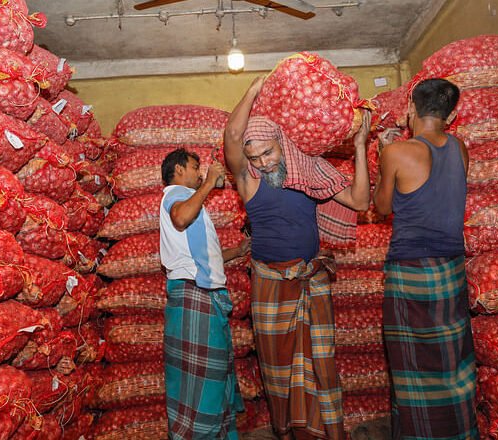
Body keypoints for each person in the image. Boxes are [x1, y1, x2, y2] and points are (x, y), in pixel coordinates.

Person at [224, 77, 371, 440]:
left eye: (268, 152)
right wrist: (253, 91)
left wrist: (360, 147)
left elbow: (360, 201)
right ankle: (288, 431)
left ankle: (327, 431)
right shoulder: (248, 179)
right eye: (255, 157)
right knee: (277, 366)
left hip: (311, 282)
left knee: (321, 363)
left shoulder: (310, 172)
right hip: (269, 285)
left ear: (282, 143)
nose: (263, 162)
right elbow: (233, 136)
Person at [374, 78, 478, 439]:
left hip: (411, 271)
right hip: (451, 269)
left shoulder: (396, 152)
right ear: (451, 114)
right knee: (452, 363)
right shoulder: (460, 148)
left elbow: (381, 206)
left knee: (412, 366)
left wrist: (383, 154)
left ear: (411, 109)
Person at [159, 147, 250, 439]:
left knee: (214, 377)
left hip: (203, 293)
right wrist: (210, 182)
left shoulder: (191, 200)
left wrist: (237, 252)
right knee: (202, 385)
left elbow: (201, 254)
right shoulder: (176, 195)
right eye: (194, 167)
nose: (199, 173)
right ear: (178, 170)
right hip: (193, 293)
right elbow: (180, 218)